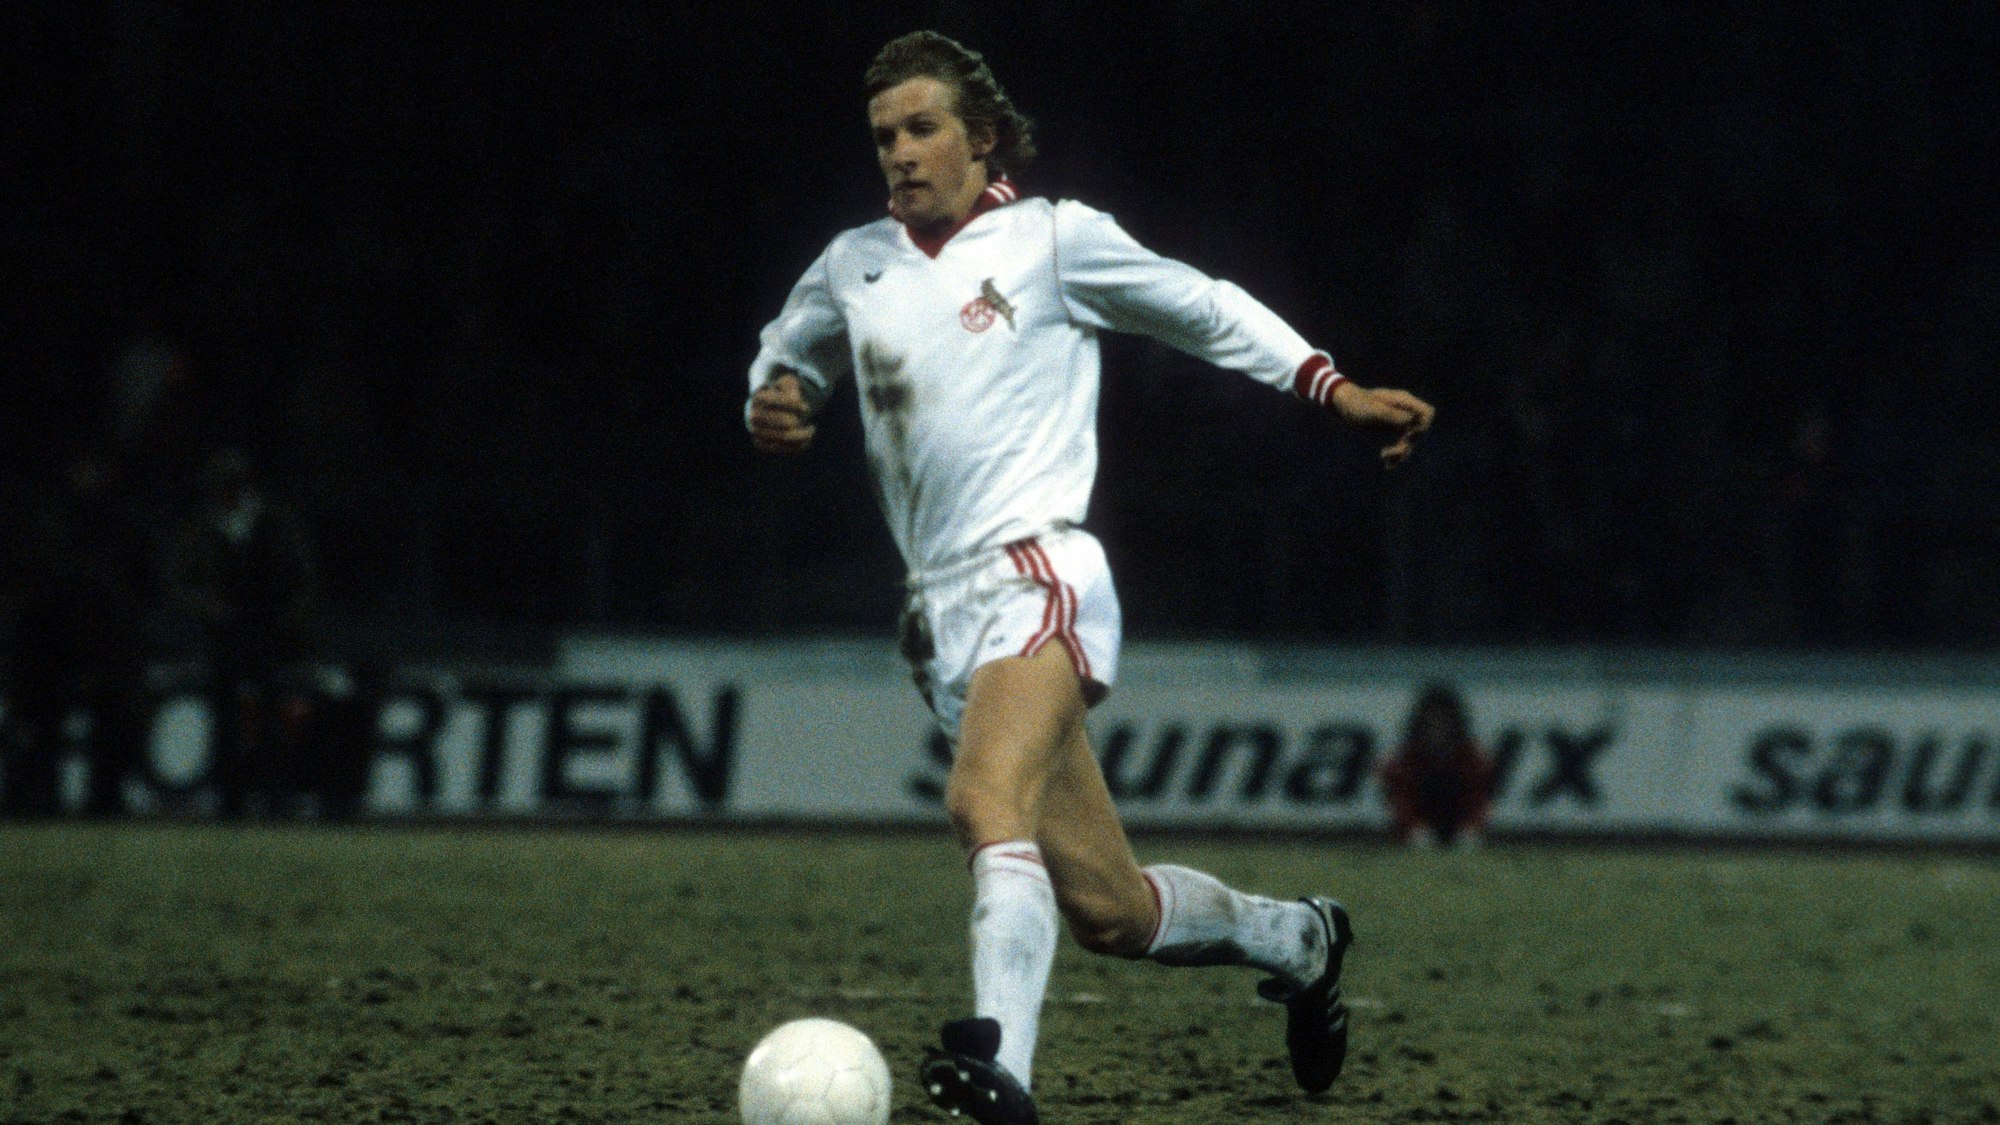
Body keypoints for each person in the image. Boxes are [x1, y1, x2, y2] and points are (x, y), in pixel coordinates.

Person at [745, 32, 1434, 1124]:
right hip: (937, 619)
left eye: (922, 128)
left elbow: (1200, 306)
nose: (900, 153)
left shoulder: (1052, 242)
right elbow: (787, 352)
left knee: (980, 804)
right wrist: (773, 396)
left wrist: (1328, 388)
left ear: (980, 136)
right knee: (1112, 913)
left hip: (1037, 573)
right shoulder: (853, 264)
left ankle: (1002, 1079)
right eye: (883, 136)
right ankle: (1298, 940)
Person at [166, 448, 321, 819]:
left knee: (271, 721)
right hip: (224, 637)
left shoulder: (274, 524)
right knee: (225, 721)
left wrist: (288, 621)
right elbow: (178, 584)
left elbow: (304, 580)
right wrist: (208, 607)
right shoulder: (203, 528)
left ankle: (274, 798)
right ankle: (231, 800)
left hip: (269, 635)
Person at [2, 451, 153, 816]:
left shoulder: (120, 523)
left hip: (105, 643)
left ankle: (104, 801)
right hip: (51, 642)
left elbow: (142, 586)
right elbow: (28, 584)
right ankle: (37, 800)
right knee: (39, 726)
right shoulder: (50, 521)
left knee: (113, 726)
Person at [1379, 683, 1496, 848]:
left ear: (1455, 727)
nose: (1437, 731)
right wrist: (1413, 828)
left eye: (1443, 725)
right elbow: (1400, 800)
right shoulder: (1403, 763)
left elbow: (1478, 800)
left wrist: (1470, 829)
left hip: (1462, 829)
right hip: (1413, 832)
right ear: (1420, 727)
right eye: (1431, 725)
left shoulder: (1474, 761)